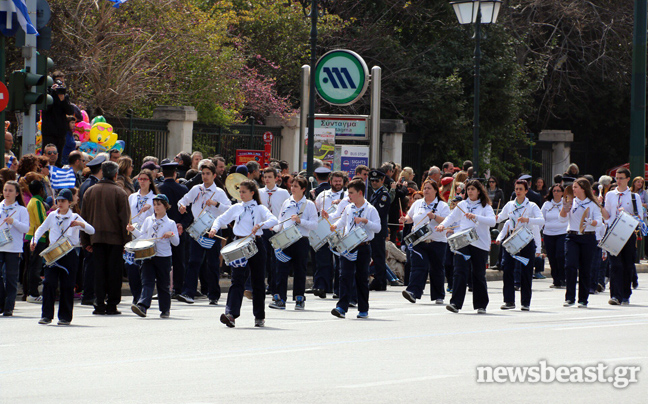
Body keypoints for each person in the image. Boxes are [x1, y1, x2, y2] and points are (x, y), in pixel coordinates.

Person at [211, 180, 278, 328]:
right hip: (239, 244)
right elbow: (221, 218)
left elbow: (274, 219)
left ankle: (259, 316)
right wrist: (215, 228)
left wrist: (261, 224)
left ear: (252, 193)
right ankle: (231, 314)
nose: (241, 194)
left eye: (243, 192)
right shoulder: (236, 208)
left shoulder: (260, 208)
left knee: (258, 281)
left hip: (256, 244)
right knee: (237, 279)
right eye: (240, 192)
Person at [33, 189, 95, 325]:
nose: (60, 203)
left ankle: (65, 317)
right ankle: (46, 315)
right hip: (53, 254)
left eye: (63, 201)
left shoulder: (75, 217)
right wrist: (34, 240)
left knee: (67, 285)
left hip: (69, 254)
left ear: (69, 202)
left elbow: (91, 230)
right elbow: (41, 229)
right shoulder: (52, 216)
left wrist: (80, 224)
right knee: (49, 283)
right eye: (58, 200)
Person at [436, 179, 495, 314]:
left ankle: (481, 304)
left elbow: (492, 222)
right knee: (460, 271)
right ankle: (455, 303)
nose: (470, 192)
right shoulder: (462, 204)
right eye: (468, 189)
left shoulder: (485, 206)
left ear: (479, 191)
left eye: (473, 189)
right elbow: (451, 217)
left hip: (480, 244)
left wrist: (476, 216)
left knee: (478, 274)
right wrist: (442, 225)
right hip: (463, 242)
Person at [80, 161, 131, 315]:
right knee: (114, 273)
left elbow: (84, 219)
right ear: (116, 175)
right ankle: (112, 304)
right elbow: (125, 221)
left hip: (96, 239)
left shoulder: (90, 191)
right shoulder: (120, 193)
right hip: (115, 240)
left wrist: (85, 241)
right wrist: (126, 243)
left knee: (99, 272)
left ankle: (99, 302)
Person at [177, 161, 231, 305]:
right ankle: (189, 292)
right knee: (194, 260)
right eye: (203, 173)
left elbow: (229, 209)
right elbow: (183, 200)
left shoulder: (218, 192)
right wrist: (181, 206)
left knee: (212, 262)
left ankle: (213, 295)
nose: (205, 176)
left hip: (213, 228)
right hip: (198, 228)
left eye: (208, 174)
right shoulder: (196, 189)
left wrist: (215, 204)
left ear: (214, 175)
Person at [329, 179, 381, 319]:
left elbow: (378, 227)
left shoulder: (370, 209)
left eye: (351, 193)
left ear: (360, 193)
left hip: (363, 247)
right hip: (348, 246)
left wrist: (365, 221)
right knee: (344, 276)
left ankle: (363, 308)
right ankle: (341, 307)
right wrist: (335, 226)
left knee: (361, 278)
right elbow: (343, 221)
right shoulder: (349, 208)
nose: (349, 196)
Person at [269, 176, 318, 310]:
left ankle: (299, 299)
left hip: (301, 240)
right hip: (285, 239)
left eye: (296, 186)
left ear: (303, 189)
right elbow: (281, 219)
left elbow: (314, 225)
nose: (292, 188)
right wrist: (275, 229)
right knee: (281, 270)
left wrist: (300, 221)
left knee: (299, 270)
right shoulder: (287, 202)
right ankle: (280, 299)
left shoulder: (309, 204)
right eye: (292, 185)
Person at [128, 194, 180, 318]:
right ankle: (143, 306)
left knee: (163, 284)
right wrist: (133, 230)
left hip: (163, 257)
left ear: (165, 206)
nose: (156, 207)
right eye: (155, 204)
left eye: (159, 204)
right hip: (148, 255)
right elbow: (142, 236)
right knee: (147, 281)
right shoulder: (148, 220)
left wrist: (171, 234)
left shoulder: (171, 223)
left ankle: (165, 309)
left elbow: (176, 242)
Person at [496, 180, 545, 311]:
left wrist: (527, 219)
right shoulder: (510, 204)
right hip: (512, 239)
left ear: (526, 191)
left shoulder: (532, 206)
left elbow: (541, 220)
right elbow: (500, 218)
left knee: (526, 271)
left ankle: (525, 302)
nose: (518, 191)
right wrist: (491, 217)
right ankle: (509, 301)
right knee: (507, 269)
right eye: (516, 189)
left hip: (526, 240)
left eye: (520, 189)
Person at [400, 180, 450, 304]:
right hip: (419, 240)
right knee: (418, 266)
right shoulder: (417, 203)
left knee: (436, 269)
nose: (426, 190)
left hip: (437, 241)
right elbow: (410, 217)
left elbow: (448, 221)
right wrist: (405, 219)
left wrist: (435, 217)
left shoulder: (442, 205)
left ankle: (438, 295)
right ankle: (413, 292)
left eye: (429, 188)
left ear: (435, 190)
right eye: (425, 188)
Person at [560, 177, 602, 308]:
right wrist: (565, 209)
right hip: (572, 236)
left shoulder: (593, 204)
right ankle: (569, 297)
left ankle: (583, 299)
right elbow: (562, 220)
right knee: (570, 266)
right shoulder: (571, 202)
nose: (573, 189)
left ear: (583, 189)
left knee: (585, 268)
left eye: (576, 187)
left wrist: (591, 222)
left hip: (588, 238)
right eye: (573, 187)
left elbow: (599, 222)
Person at [605, 168, 642, 305]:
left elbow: (639, 217)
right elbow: (607, 215)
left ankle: (626, 293)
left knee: (627, 265)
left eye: (621, 178)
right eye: (616, 178)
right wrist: (600, 206)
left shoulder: (634, 197)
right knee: (615, 265)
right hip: (613, 232)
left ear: (627, 179)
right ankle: (615, 295)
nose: (618, 181)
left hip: (627, 232)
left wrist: (625, 215)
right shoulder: (610, 195)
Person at [157, 162, 190, 297]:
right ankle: (178, 288)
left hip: (161, 229)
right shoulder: (183, 189)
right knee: (179, 260)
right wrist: (182, 224)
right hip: (178, 228)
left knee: (161, 260)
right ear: (175, 173)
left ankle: (162, 287)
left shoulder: (158, 188)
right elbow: (189, 211)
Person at [125, 169, 158, 304]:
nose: (142, 182)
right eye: (140, 179)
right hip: (133, 235)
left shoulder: (154, 198)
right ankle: (136, 294)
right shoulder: (132, 196)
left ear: (150, 181)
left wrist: (151, 208)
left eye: (145, 179)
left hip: (146, 235)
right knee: (130, 266)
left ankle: (143, 296)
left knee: (145, 267)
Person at [313, 171, 346, 298]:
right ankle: (321, 287)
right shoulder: (323, 195)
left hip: (340, 231)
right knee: (323, 261)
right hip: (324, 232)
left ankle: (338, 289)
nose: (338, 183)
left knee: (340, 263)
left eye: (340, 181)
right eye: (335, 181)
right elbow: (315, 210)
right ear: (330, 181)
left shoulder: (347, 195)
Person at [259, 167, 290, 296]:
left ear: (276, 178)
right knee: (263, 258)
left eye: (270, 177)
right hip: (263, 229)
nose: (267, 180)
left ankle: (274, 286)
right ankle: (264, 284)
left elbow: (288, 209)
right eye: (265, 177)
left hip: (278, 229)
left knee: (276, 259)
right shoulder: (259, 192)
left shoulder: (283, 193)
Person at [0, 181, 30, 316]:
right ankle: (1, 302)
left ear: (17, 193)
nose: (7, 193)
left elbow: (26, 228)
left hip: (13, 248)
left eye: (10, 190)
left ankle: (8, 307)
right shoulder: (0, 206)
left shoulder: (21, 210)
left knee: (11, 278)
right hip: (0, 246)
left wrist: (14, 222)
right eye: (5, 190)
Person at [24, 180, 48, 303]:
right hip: (37, 238)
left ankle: (28, 292)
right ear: (41, 190)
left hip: (30, 237)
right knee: (35, 267)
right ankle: (33, 293)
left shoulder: (32, 201)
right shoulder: (37, 202)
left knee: (30, 266)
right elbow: (41, 222)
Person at [367, 169, 391, 291]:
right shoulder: (374, 194)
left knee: (379, 256)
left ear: (382, 180)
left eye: (377, 180)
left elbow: (379, 212)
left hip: (379, 230)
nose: (374, 183)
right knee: (376, 255)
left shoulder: (384, 195)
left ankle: (380, 281)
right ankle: (379, 279)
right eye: (372, 181)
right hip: (373, 228)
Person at [41, 80, 74, 167]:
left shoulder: (64, 97)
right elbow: (46, 109)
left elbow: (70, 111)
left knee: (58, 158)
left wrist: (62, 99)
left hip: (60, 132)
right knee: (47, 156)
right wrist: (52, 94)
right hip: (49, 132)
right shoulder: (48, 95)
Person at [541, 184, 568, 288]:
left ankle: (563, 278)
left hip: (562, 232)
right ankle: (556, 280)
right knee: (552, 257)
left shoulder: (565, 203)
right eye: (554, 191)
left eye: (558, 191)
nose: (556, 193)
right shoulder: (547, 205)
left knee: (560, 255)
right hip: (548, 234)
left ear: (562, 193)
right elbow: (541, 218)